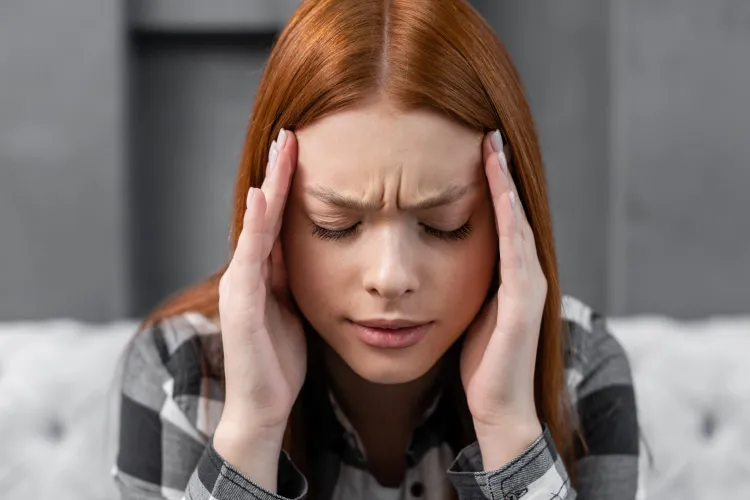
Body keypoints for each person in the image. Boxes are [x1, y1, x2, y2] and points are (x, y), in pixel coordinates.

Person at [112, 0, 640, 498]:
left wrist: (510, 429)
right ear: (272, 225)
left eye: (444, 224)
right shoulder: (181, 374)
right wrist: (252, 428)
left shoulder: (579, 371)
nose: (390, 277)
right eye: (335, 224)